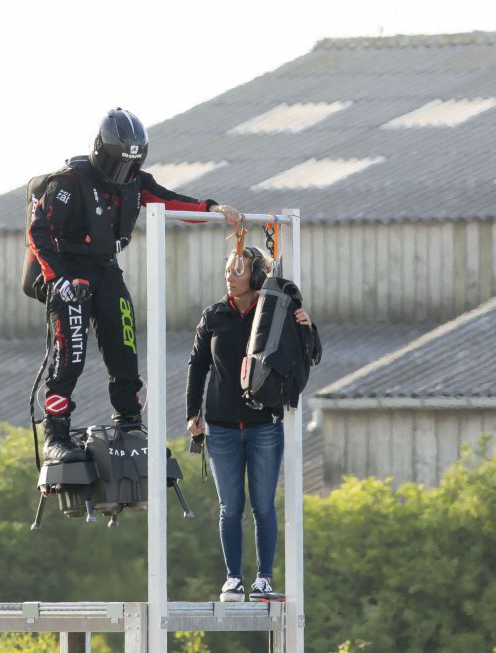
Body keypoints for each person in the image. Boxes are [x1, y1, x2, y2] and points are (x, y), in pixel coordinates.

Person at [28, 107, 242, 463]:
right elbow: (40, 231)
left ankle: (129, 425)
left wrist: (212, 208)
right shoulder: (68, 183)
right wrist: (59, 280)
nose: (122, 174)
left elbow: (171, 201)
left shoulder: (136, 183)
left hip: (106, 271)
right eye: (116, 165)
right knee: (71, 356)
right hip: (69, 274)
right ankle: (56, 432)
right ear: (99, 150)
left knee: (124, 349)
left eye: (130, 166)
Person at [185, 246, 314, 602]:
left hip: (264, 425)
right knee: (231, 506)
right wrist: (192, 413)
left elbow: (306, 355)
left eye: (238, 270)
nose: (230, 276)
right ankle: (233, 579)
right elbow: (197, 365)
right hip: (222, 427)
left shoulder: (275, 314)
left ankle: (264, 579)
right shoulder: (213, 316)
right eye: (227, 269)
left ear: (255, 276)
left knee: (263, 505)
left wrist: (306, 326)